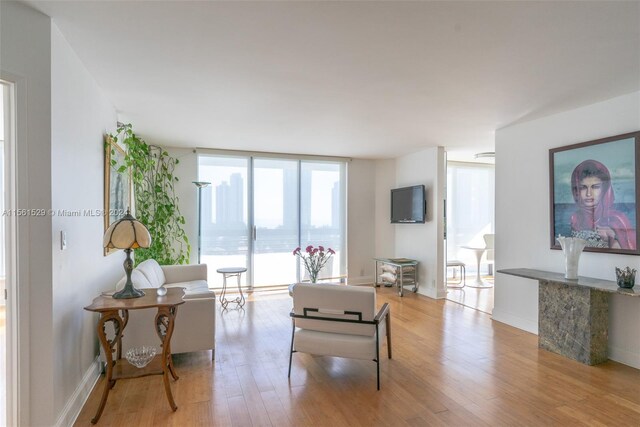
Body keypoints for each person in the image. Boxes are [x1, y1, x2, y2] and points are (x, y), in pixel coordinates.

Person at [570, 159, 636, 250]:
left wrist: (613, 236)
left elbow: (628, 255)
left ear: (604, 189)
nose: (589, 193)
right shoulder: (575, 217)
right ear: (576, 190)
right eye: (583, 187)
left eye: (595, 187)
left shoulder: (617, 219)